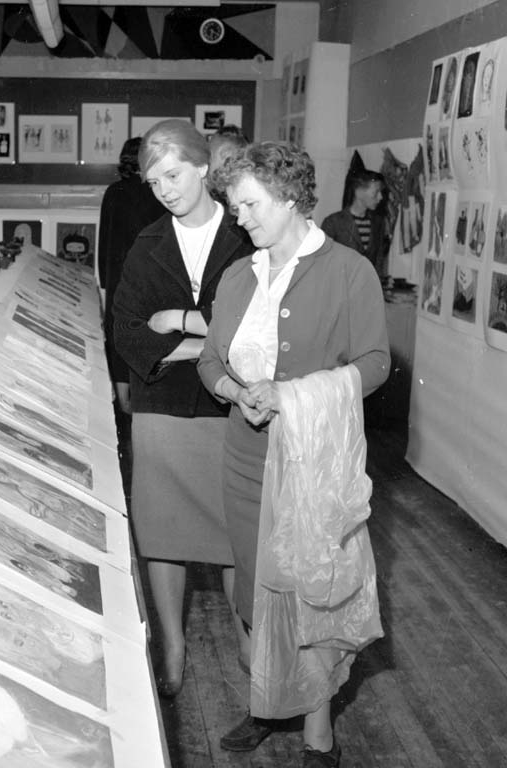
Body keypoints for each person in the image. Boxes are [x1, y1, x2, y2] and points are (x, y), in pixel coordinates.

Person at [198, 141, 389, 767]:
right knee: (257, 589)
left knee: (310, 592)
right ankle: (267, 700)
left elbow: (376, 362)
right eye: (235, 207)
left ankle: (317, 729)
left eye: (249, 205)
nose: (240, 218)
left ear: (288, 197)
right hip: (245, 459)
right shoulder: (237, 276)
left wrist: (294, 395)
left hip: (311, 462)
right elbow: (210, 360)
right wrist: (234, 391)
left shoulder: (348, 271)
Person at [112, 119, 252, 697]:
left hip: (232, 409)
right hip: (162, 409)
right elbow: (126, 330)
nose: (164, 190)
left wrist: (180, 325)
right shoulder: (147, 244)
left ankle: (247, 638)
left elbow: (258, 322)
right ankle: (172, 644)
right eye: (153, 182)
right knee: (161, 532)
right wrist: (206, 345)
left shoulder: (247, 234)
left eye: (173, 175)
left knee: (235, 534)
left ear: (203, 168)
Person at [98, 137, 163, 419]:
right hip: (152, 278)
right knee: (149, 331)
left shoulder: (114, 191)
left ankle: (122, 398)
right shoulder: (158, 192)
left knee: (119, 332)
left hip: (118, 276)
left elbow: (104, 241)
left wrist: (105, 282)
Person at [321, 169, 388, 276]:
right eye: (376, 192)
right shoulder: (333, 222)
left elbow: (379, 261)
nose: (380, 197)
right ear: (358, 192)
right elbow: (323, 262)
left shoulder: (378, 223)